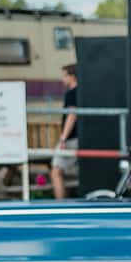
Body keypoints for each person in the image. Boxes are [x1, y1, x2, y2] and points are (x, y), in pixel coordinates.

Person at [51, 64, 78, 200]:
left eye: (65, 75)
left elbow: (72, 115)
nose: (62, 79)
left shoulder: (72, 94)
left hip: (71, 139)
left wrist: (63, 138)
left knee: (56, 171)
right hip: (79, 138)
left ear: (72, 77)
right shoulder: (83, 92)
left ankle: (60, 202)